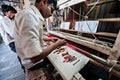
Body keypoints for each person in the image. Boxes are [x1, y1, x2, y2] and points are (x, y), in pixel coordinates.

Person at [14, 0, 66, 76]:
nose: (51, 14)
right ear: (43, 2)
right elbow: (35, 58)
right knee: (61, 60)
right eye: (51, 9)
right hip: (34, 64)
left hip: (32, 61)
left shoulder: (30, 15)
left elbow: (36, 36)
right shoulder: (28, 16)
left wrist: (50, 39)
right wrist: (56, 45)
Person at [0, 4, 25, 71]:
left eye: (13, 12)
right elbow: (13, 33)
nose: (13, 14)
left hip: (15, 40)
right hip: (12, 42)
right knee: (23, 53)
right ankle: (26, 70)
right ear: (5, 13)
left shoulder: (10, 19)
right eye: (11, 12)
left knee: (22, 54)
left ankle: (26, 69)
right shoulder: (4, 20)